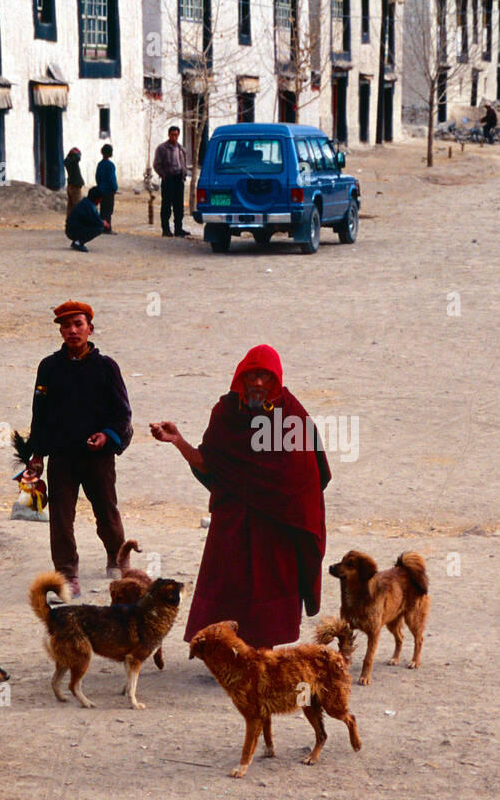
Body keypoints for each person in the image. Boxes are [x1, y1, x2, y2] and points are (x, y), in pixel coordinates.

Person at [149, 345, 330, 649]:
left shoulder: (290, 415)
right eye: (252, 376)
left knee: (269, 585)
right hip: (233, 519)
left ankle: (262, 651)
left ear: (276, 381)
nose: (258, 383)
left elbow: (305, 475)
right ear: (240, 378)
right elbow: (208, 462)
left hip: (275, 521)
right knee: (226, 582)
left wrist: (292, 511)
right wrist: (178, 441)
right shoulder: (225, 413)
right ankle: (223, 651)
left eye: (265, 377)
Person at [24, 301, 132, 598]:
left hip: (98, 457)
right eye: (66, 326)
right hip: (62, 457)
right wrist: (36, 455)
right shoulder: (49, 367)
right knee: (60, 518)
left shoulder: (106, 367)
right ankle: (67, 574)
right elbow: (40, 412)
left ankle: (117, 557)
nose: (72, 331)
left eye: (78, 325)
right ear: (60, 330)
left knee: (107, 513)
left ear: (90, 329)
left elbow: (122, 413)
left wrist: (106, 436)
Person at [152, 125, 189, 238]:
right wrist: (163, 175)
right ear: (169, 135)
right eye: (172, 135)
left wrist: (184, 173)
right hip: (168, 179)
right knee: (167, 205)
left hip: (179, 179)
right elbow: (156, 165)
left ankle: (178, 228)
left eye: (176, 135)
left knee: (179, 206)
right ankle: (166, 229)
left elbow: (184, 163)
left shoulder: (181, 149)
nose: (174, 137)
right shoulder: (162, 148)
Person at [64, 187, 108, 252]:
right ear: (97, 199)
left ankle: (77, 241)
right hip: (72, 231)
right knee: (99, 228)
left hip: (71, 229)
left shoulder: (86, 203)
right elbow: (98, 222)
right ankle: (78, 243)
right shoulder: (89, 206)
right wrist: (103, 223)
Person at [95, 144, 117, 233]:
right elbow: (112, 179)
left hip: (101, 190)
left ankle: (101, 227)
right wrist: (114, 188)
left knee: (103, 209)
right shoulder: (110, 165)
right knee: (108, 210)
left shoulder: (100, 164)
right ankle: (107, 228)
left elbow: (97, 177)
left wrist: (100, 186)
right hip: (109, 191)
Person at [63, 148, 84, 216]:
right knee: (77, 207)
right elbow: (78, 157)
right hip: (75, 186)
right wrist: (77, 153)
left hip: (70, 186)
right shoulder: (73, 161)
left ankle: (69, 223)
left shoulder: (67, 161)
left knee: (70, 207)